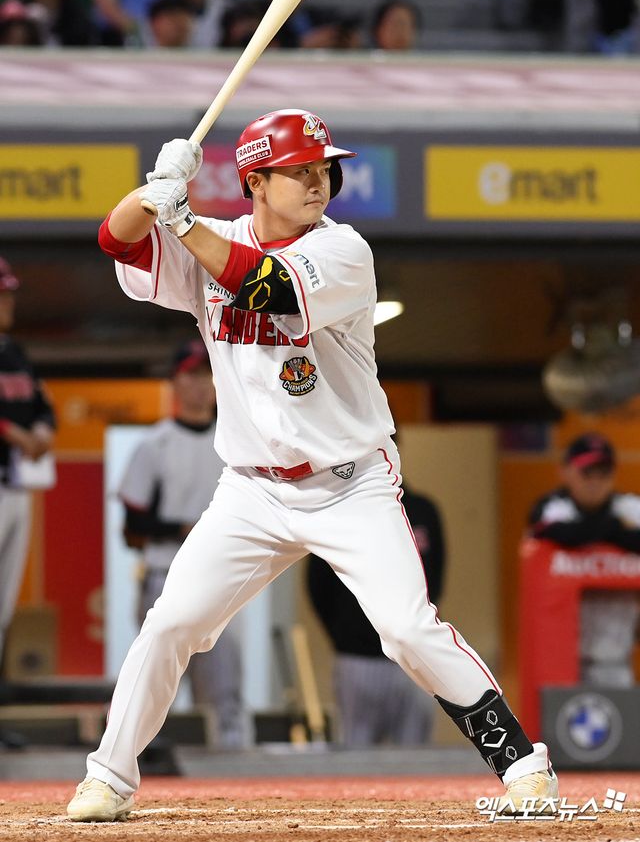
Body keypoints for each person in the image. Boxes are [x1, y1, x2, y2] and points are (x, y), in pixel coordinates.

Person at [67, 108, 558, 822]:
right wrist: (150, 194)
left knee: (406, 629)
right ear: (255, 183)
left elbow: (265, 287)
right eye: (298, 170)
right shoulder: (213, 239)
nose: (318, 181)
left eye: (323, 168)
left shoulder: (343, 249)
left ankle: (521, 762)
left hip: (350, 482)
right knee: (171, 621)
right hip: (252, 491)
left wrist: (180, 220)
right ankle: (109, 776)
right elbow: (115, 240)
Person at [117, 338, 245, 749]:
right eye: (191, 374)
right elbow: (132, 528)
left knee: (224, 694)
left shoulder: (236, 440)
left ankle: (234, 775)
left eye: (208, 373)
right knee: (156, 687)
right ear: (174, 382)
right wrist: (183, 529)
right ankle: (140, 763)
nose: (201, 384)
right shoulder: (155, 444)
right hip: (164, 572)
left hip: (224, 578)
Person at [307, 481, 445, 747]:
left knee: (416, 753)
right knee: (357, 752)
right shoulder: (338, 511)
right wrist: (343, 636)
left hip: (413, 656)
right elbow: (318, 585)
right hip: (359, 657)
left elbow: (436, 578)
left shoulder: (421, 509)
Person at [528, 431, 640, 687]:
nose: (595, 482)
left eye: (603, 474)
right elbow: (556, 532)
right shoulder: (555, 506)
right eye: (587, 473)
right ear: (565, 471)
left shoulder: (630, 506)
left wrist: (603, 533)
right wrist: (615, 530)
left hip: (617, 660)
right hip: (560, 661)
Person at [0, 257, 56, 681]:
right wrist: (13, 433)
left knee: (4, 604)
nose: (8, 301)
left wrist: (40, 430)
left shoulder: (14, 353)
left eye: (8, 293)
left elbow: (43, 406)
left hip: (17, 484)